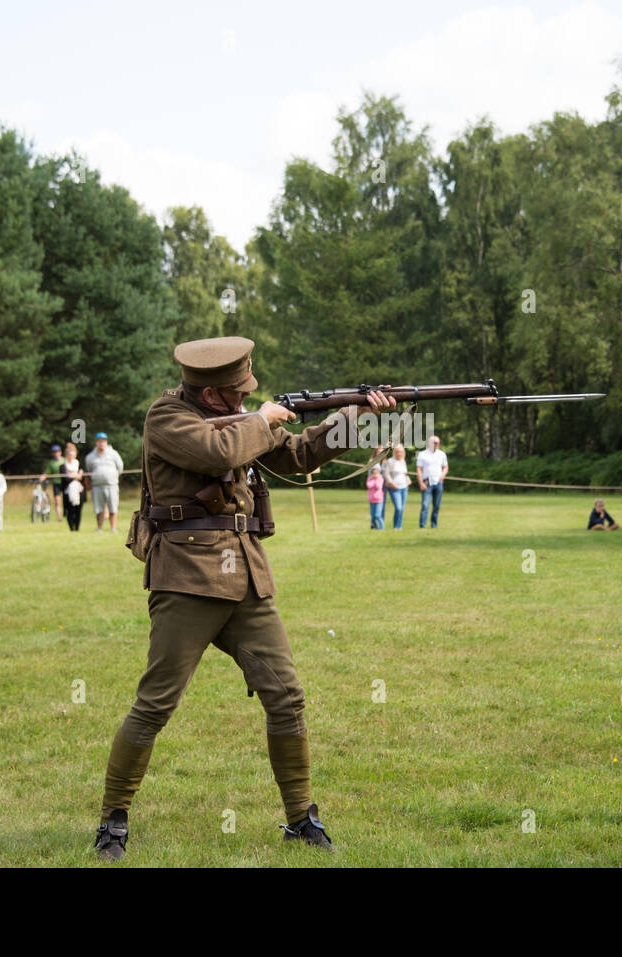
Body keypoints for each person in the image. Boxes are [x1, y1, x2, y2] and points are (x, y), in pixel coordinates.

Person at [93, 335, 396, 861]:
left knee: (287, 696)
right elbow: (219, 451)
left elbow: (300, 456)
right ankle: (113, 820)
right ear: (212, 395)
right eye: (237, 393)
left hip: (247, 577)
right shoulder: (167, 416)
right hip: (187, 576)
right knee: (155, 704)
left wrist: (354, 417)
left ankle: (301, 818)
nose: (244, 398)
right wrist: (265, 418)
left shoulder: (243, 420)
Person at [85, 432, 125, 534]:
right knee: (99, 509)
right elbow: (89, 469)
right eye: (99, 441)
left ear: (106, 442)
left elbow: (120, 467)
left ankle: (113, 528)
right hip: (97, 486)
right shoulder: (90, 457)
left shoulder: (114, 454)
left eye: (103, 441)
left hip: (111, 485)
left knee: (113, 507)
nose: (101, 443)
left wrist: (112, 477)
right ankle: (99, 528)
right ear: (96, 443)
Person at [416, 435, 448, 529]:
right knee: (425, 505)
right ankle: (422, 525)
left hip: (438, 482)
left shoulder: (442, 454)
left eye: (438, 442)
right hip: (427, 481)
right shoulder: (422, 454)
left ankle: (434, 524)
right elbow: (419, 469)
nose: (437, 444)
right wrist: (421, 483)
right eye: (435, 442)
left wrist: (443, 475)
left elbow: (445, 467)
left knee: (437, 505)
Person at [383, 443, 410, 529]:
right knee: (398, 507)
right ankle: (396, 526)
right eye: (397, 451)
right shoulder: (390, 461)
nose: (399, 453)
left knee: (402, 508)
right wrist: (391, 483)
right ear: (394, 452)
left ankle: (399, 526)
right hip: (394, 488)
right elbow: (386, 474)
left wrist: (408, 479)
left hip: (404, 487)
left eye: (401, 452)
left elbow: (404, 474)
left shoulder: (403, 461)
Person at [62, 442, 84, 532]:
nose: (71, 456)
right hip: (68, 491)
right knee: (70, 511)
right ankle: (71, 529)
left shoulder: (79, 464)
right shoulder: (63, 466)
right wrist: (76, 476)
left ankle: (77, 528)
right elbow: (65, 479)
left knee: (78, 511)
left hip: (79, 490)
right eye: (69, 454)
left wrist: (72, 475)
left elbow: (82, 477)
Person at [44, 444, 65, 520]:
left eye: (57, 452)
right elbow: (47, 472)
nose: (56, 453)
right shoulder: (51, 463)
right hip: (56, 484)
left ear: (60, 452)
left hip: (65, 483)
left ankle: (67, 515)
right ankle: (59, 518)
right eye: (54, 452)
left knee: (67, 501)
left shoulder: (64, 460)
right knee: (57, 501)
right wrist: (42, 477)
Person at [366, 465, 385, 529]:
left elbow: (378, 487)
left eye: (376, 473)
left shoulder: (380, 479)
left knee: (377, 515)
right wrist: (372, 479)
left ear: (379, 473)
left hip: (379, 500)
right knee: (373, 516)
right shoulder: (369, 479)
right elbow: (369, 486)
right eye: (373, 473)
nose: (375, 474)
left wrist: (376, 479)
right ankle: (375, 527)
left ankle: (382, 528)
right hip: (371, 500)